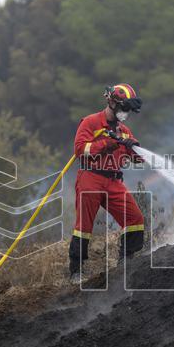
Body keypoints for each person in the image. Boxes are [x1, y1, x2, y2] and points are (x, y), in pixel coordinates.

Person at [69, 83, 145, 281]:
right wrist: (108, 143)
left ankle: (126, 263)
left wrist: (136, 149)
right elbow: (80, 150)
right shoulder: (91, 122)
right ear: (111, 102)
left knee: (135, 219)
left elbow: (137, 158)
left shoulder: (124, 131)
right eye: (123, 109)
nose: (125, 114)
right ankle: (76, 272)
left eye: (128, 111)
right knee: (84, 225)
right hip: (90, 178)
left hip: (114, 182)